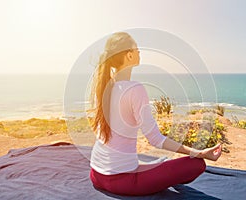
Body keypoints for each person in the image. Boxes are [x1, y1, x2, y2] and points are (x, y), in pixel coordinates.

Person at [89, 32, 222, 196]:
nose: (139, 52)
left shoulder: (103, 88)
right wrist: (199, 153)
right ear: (129, 55)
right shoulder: (135, 89)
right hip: (122, 181)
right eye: (136, 49)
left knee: (158, 163)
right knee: (197, 165)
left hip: (96, 175)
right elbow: (155, 139)